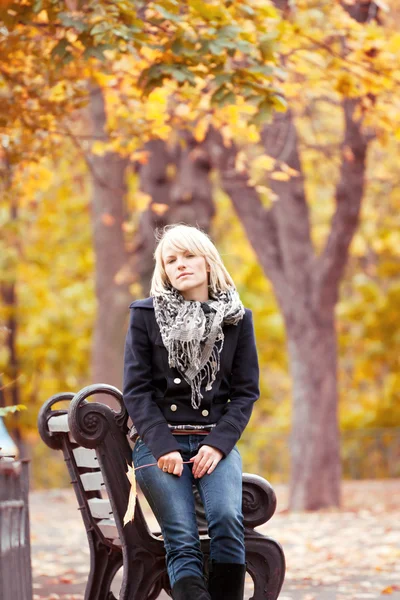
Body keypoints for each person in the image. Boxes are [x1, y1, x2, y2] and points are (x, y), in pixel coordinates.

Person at [123, 224, 260, 600]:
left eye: (188, 256)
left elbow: (246, 393)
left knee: (228, 520)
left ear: (208, 261)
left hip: (214, 442)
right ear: (163, 270)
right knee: (181, 535)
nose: (180, 265)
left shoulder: (238, 318)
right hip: (158, 445)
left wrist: (217, 445)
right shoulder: (145, 315)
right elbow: (136, 392)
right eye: (171, 260)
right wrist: (163, 445)